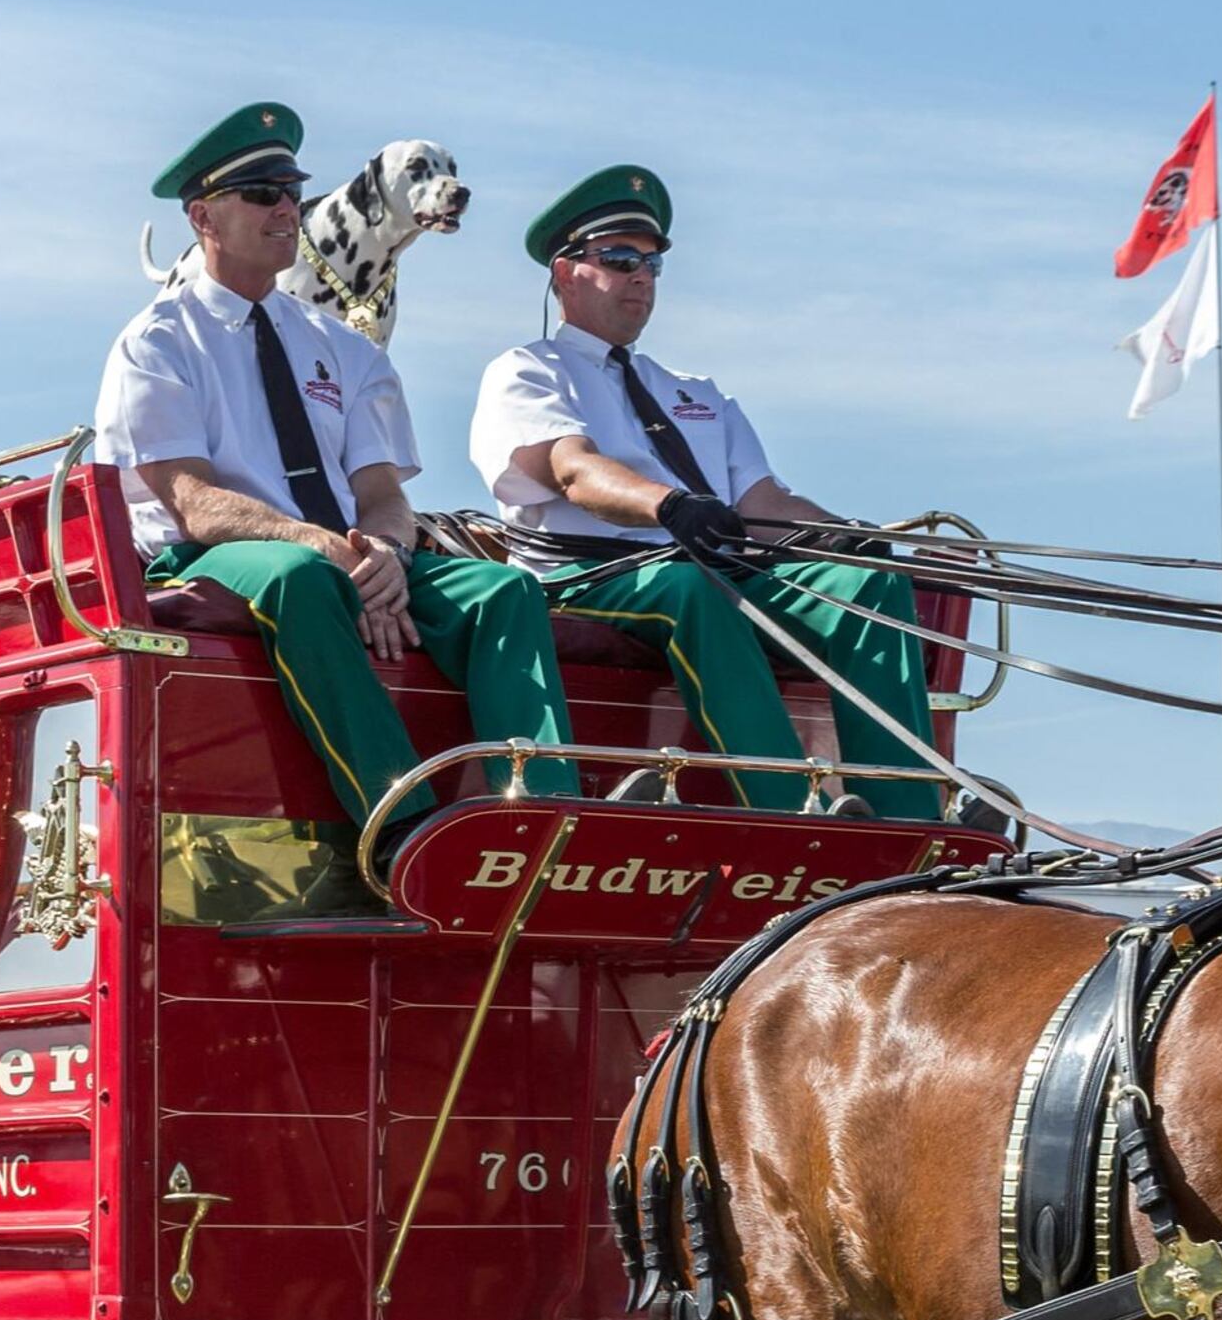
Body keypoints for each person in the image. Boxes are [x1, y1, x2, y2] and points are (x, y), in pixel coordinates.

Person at [90, 101, 579, 888]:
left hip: (349, 552)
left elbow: (380, 490)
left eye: (290, 189)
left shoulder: (342, 348)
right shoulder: (157, 341)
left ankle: (544, 826)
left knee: (505, 590)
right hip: (208, 558)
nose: (286, 208)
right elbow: (195, 501)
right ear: (203, 217)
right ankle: (403, 830)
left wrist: (384, 547)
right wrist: (331, 547)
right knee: (298, 578)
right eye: (260, 193)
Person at [467, 166, 944, 821]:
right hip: (592, 575)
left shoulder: (695, 390)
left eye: (653, 263)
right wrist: (668, 507)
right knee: (694, 590)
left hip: (711, 572)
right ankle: (787, 806)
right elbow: (573, 469)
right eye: (619, 258)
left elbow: (764, 505)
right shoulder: (527, 371)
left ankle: (909, 813)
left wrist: (844, 538)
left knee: (870, 591)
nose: (641, 275)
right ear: (565, 272)